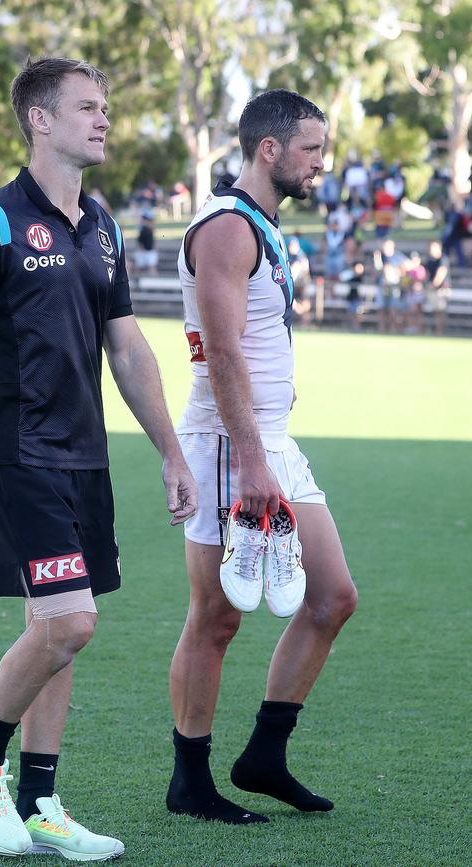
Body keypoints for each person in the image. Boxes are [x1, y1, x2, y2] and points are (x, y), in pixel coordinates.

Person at [0, 56, 197, 860]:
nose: (104, 120)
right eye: (88, 107)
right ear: (39, 118)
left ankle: (40, 800)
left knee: (57, 630)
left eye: (106, 107)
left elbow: (127, 348)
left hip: (84, 461)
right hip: (15, 454)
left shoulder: (101, 226)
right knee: (70, 621)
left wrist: (170, 450)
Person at [168, 89, 357, 826]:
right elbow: (219, 351)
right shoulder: (224, 228)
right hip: (229, 442)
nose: (321, 162)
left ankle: (264, 757)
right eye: (312, 148)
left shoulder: (263, 226)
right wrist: (250, 459)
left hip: (271, 439)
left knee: (332, 596)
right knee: (216, 616)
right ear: (269, 150)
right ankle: (190, 779)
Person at [134, 209, 159, 275]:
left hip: (149, 250)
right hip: (143, 251)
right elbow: (140, 242)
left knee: (152, 267)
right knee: (139, 267)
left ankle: (153, 280)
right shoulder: (143, 229)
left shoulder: (149, 229)